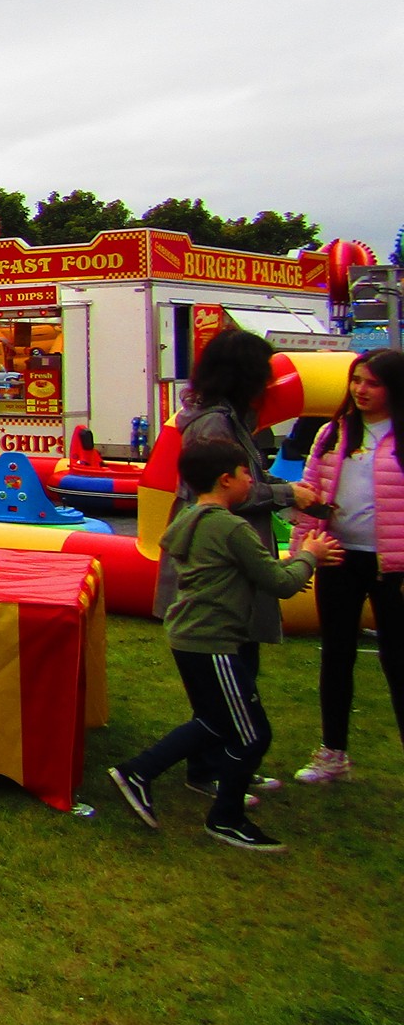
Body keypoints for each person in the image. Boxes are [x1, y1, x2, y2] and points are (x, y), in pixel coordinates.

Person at [107, 438, 341, 851]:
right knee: (252, 735)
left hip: (189, 636)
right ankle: (226, 818)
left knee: (214, 722)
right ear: (226, 480)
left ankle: (138, 772)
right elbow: (281, 583)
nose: (252, 480)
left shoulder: (190, 517)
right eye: (246, 472)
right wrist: (310, 555)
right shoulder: (232, 528)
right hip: (212, 641)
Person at [154, 328, 318, 797]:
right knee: (225, 682)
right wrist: (287, 494)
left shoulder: (228, 418)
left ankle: (233, 761)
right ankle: (208, 769)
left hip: (229, 569)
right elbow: (219, 492)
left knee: (238, 674)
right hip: (220, 574)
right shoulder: (214, 425)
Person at [288, 348, 404, 785]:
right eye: (356, 380)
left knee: (398, 659)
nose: (361, 390)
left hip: (392, 565)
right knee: (336, 655)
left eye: (373, 383)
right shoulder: (333, 432)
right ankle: (333, 751)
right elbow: (311, 491)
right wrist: (303, 550)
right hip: (338, 556)